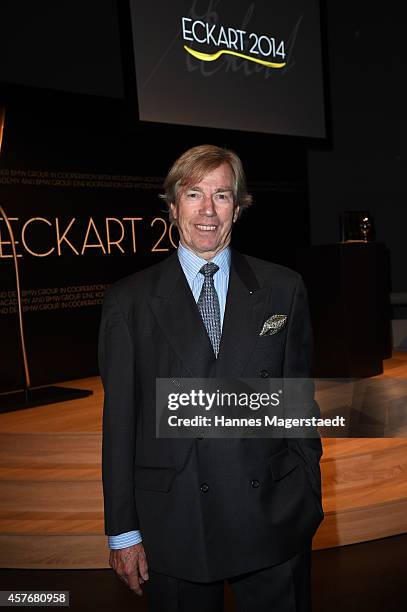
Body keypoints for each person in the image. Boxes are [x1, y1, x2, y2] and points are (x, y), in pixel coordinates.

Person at [98, 144, 324, 612]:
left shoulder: (283, 288)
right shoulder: (130, 302)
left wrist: (306, 493)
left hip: (271, 516)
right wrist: (123, 531)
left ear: (237, 208)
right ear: (173, 204)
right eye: (194, 194)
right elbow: (119, 424)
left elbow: (297, 402)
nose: (207, 211)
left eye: (221, 196)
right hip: (177, 521)